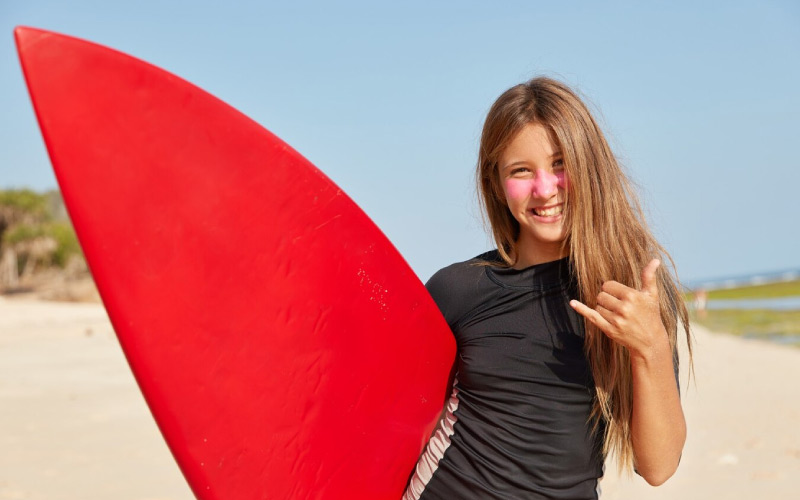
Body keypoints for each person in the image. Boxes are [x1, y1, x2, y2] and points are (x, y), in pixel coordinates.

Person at [403, 77, 692, 500]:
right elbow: (388, 414)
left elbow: (659, 466)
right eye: (521, 171)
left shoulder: (634, 293)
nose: (545, 188)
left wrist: (650, 346)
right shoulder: (459, 288)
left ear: (590, 165)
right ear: (497, 183)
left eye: (560, 164)